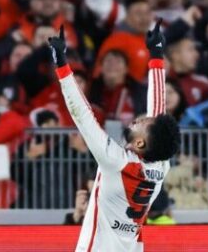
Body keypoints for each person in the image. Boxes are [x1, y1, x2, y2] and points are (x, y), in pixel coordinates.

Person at [48, 22, 180, 252]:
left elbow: (83, 115)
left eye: (142, 123)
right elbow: (158, 109)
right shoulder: (160, 164)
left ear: (140, 143)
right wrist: (157, 57)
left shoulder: (116, 161)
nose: (139, 119)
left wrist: (61, 65)